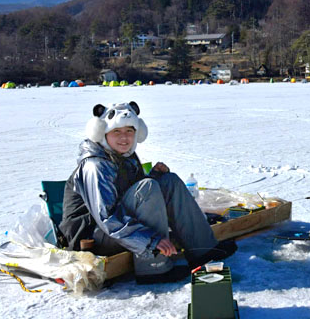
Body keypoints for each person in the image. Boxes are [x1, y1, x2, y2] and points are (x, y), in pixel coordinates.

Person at [59, 101, 236, 284]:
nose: (124, 138)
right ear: (103, 133)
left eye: (129, 131)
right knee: (149, 187)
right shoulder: (95, 165)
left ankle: (203, 249)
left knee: (169, 181)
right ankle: (154, 267)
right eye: (116, 132)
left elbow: (132, 194)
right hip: (92, 238)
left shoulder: (124, 156)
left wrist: (156, 176)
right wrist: (151, 241)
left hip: (117, 229)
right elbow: (107, 217)